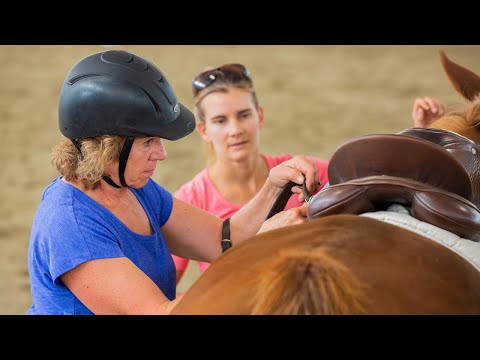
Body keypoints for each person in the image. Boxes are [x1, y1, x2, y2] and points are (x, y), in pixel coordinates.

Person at [26, 50, 320, 315]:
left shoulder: (130, 187)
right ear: (108, 147)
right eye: (149, 142)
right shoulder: (70, 223)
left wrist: (273, 187)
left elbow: (224, 239)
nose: (162, 154)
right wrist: (261, 250)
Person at [171, 63, 329, 284]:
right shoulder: (190, 200)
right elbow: (160, 295)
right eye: (220, 120)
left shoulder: (307, 173)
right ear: (204, 130)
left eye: (244, 115)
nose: (235, 130)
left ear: (260, 117)